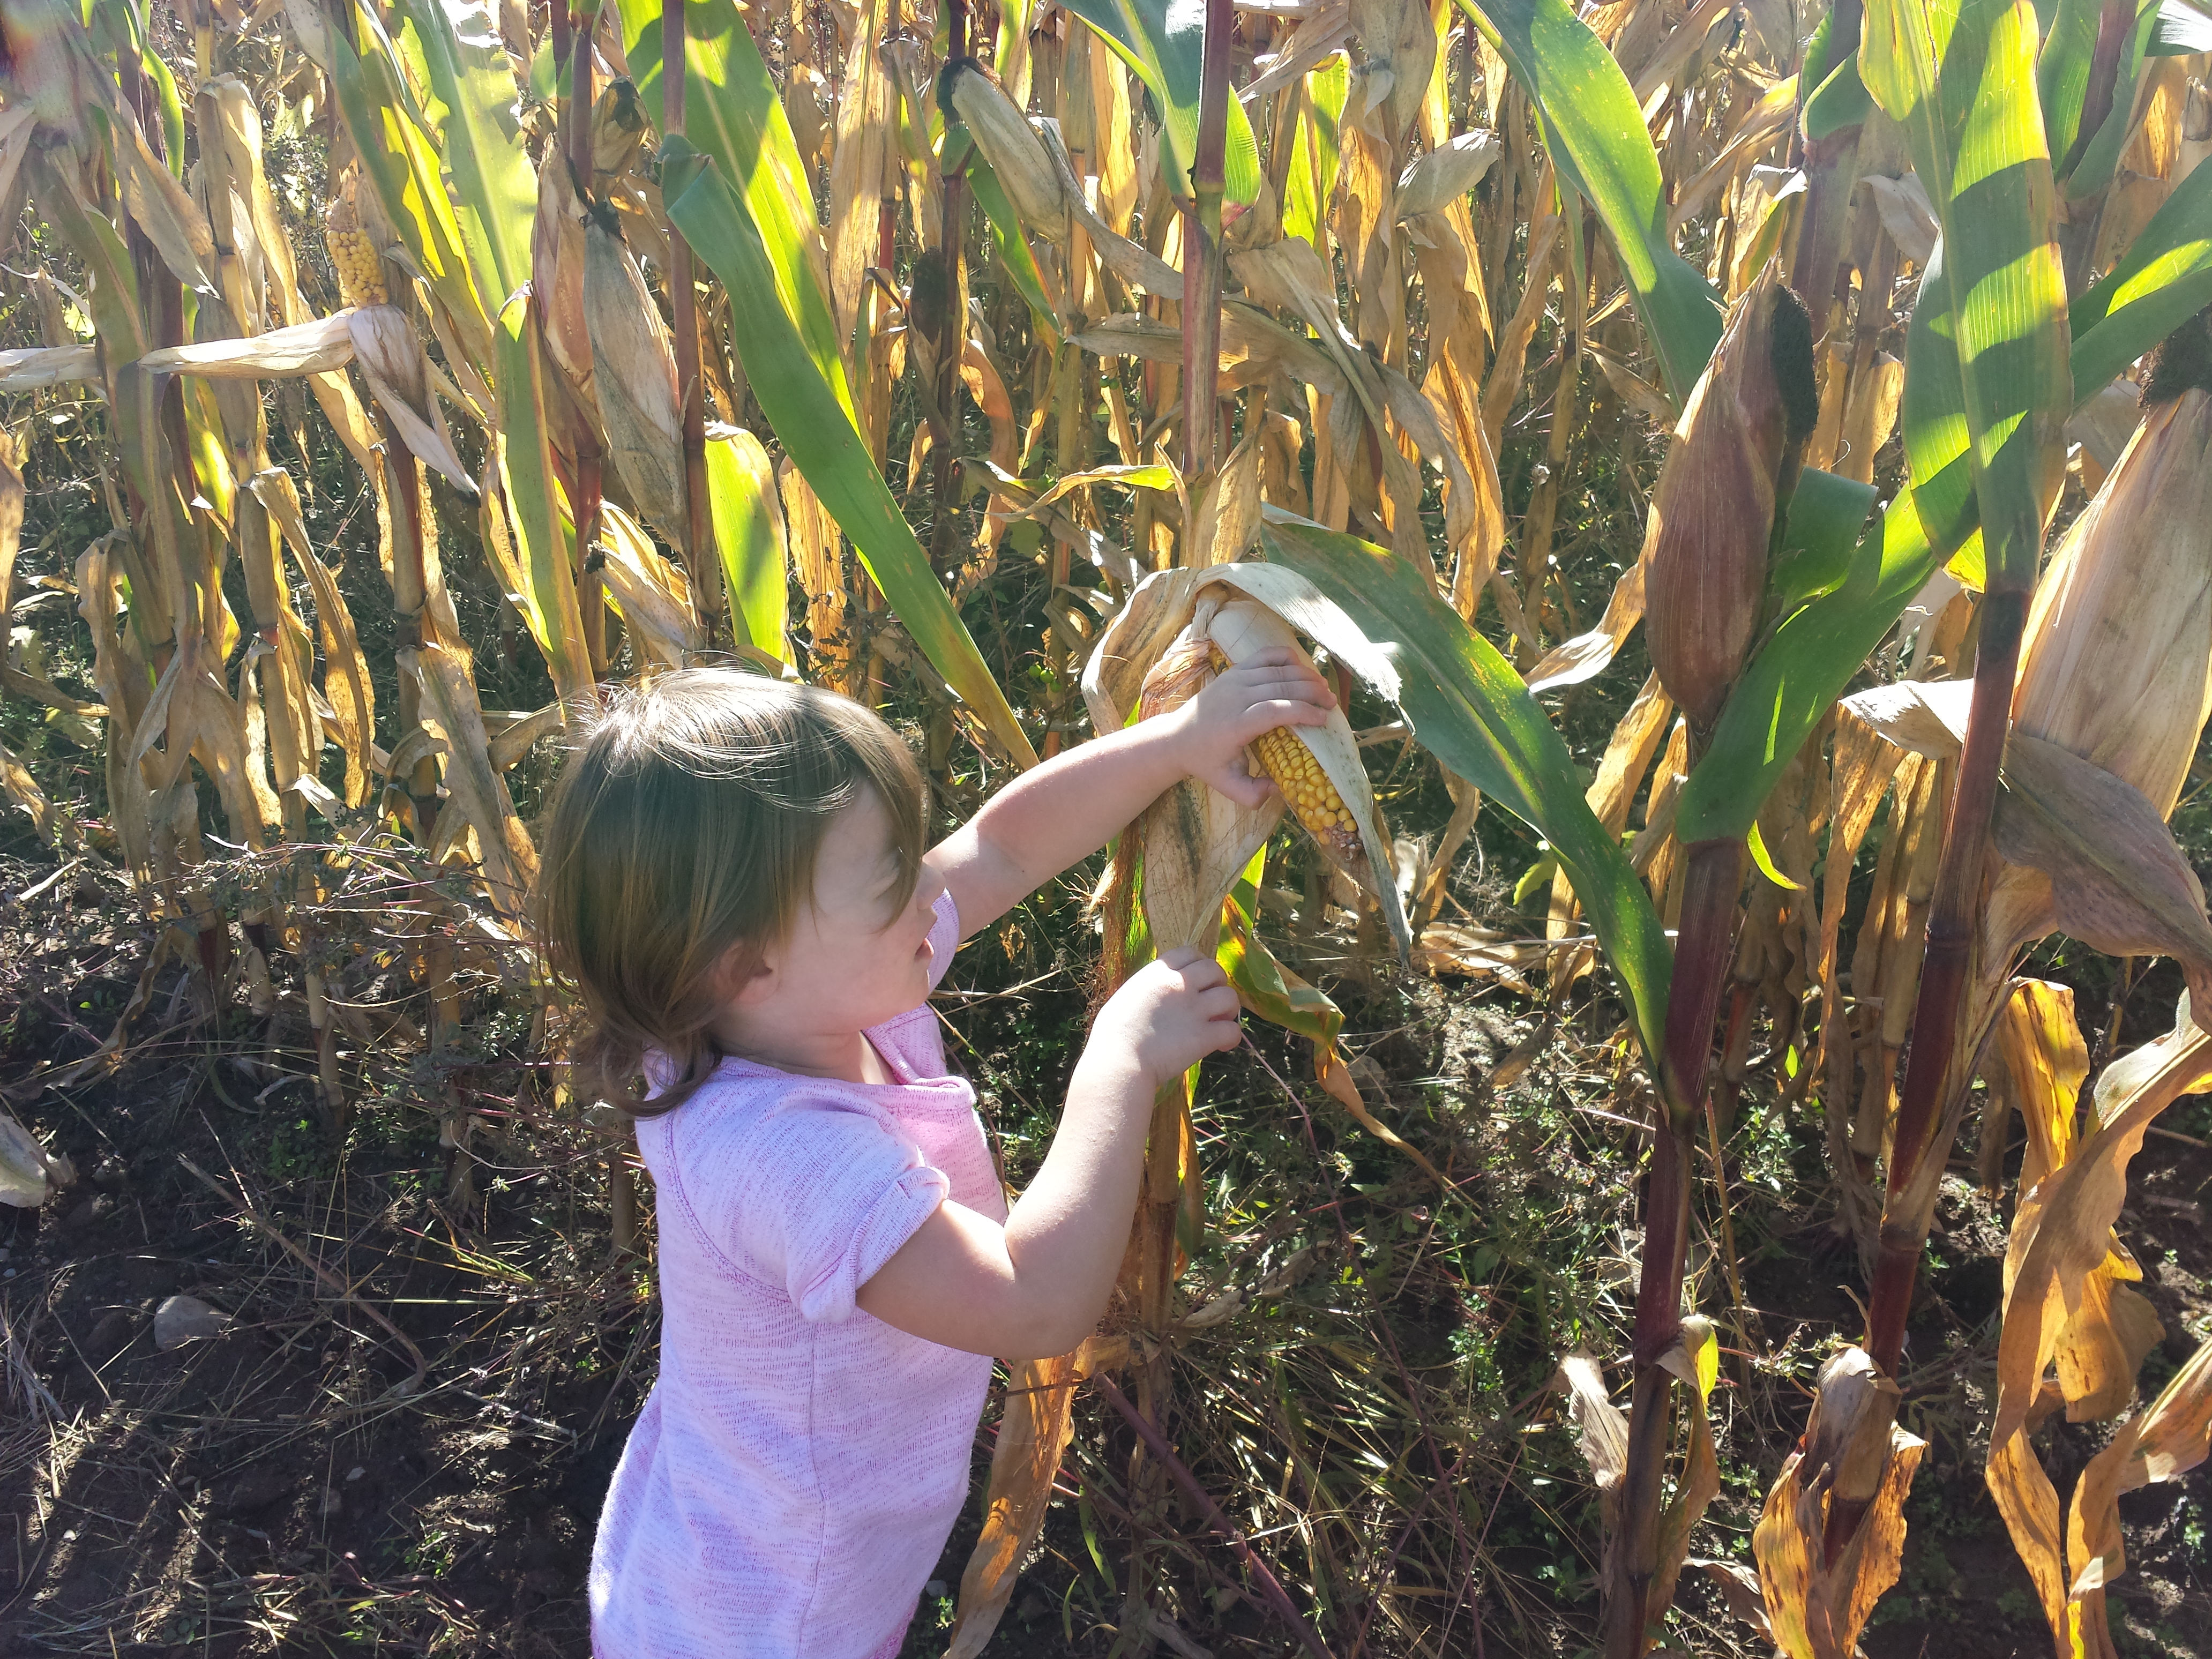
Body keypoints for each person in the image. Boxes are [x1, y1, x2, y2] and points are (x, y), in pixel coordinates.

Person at [534, 654, 1337, 1659]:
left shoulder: (805, 996)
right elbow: (1028, 1302)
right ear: (744, 965)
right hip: (779, 1613)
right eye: (890, 881)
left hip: (779, 1529)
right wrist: (1120, 1064)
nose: (928, 890)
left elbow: (999, 850)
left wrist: (1175, 743)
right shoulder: (779, 1158)